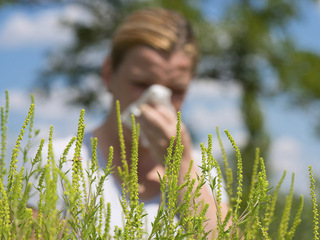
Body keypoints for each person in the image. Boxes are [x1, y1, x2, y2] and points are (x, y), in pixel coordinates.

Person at [28, 7, 229, 238]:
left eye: (175, 90)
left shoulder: (201, 169)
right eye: (142, 84)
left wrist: (180, 166)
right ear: (108, 74)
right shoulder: (58, 160)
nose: (157, 102)